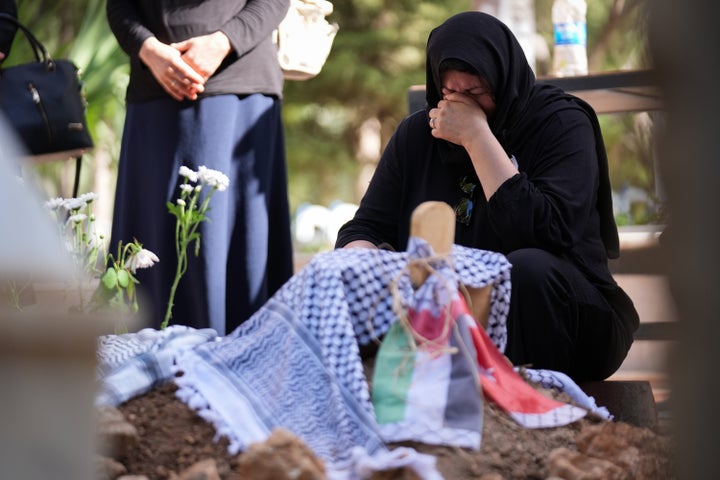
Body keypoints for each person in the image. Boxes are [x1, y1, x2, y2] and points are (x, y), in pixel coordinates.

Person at [335, 11, 639, 383]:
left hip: (568, 315)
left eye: (477, 93)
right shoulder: (417, 135)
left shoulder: (559, 122)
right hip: (454, 319)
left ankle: (536, 405)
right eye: (451, 93)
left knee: (525, 270)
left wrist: (478, 138)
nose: (462, 106)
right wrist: (358, 264)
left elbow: (547, 233)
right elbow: (366, 226)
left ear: (503, 80)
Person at [107, 0, 294, 335]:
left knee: (228, 241)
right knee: (150, 240)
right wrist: (148, 49)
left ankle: (240, 358)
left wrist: (223, 41)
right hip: (153, 93)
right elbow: (120, 5)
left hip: (239, 88)